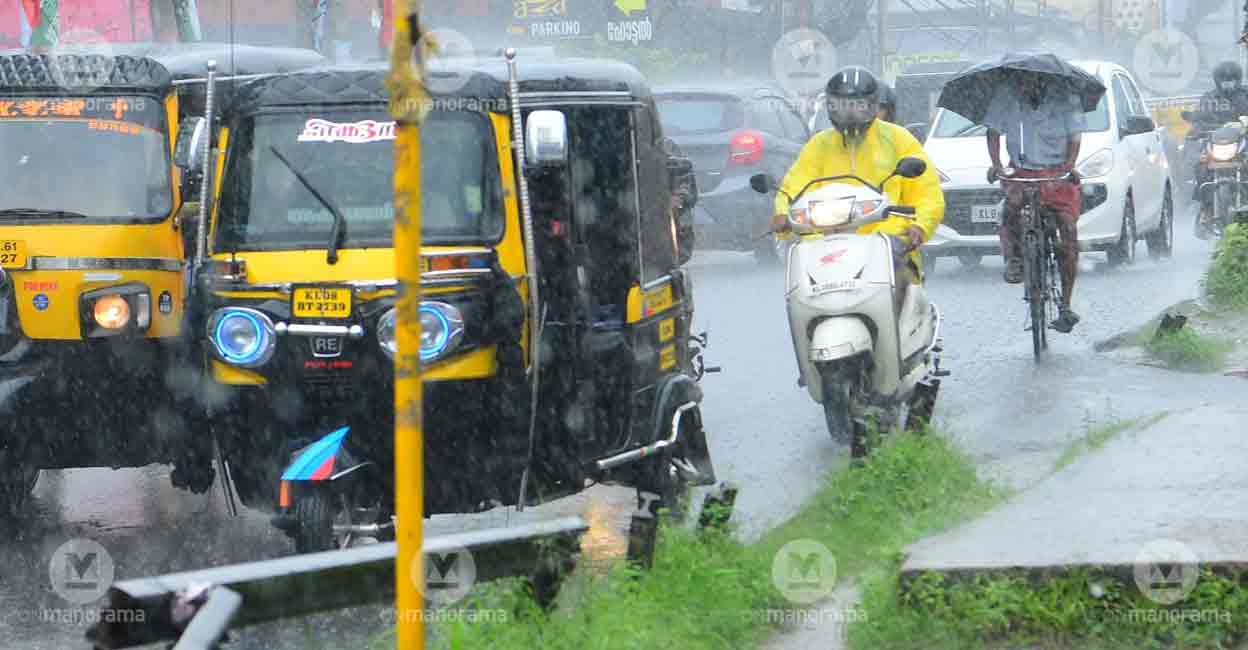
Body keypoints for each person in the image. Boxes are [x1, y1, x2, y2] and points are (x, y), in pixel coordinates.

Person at [768, 66, 945, 290]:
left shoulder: (899, 139)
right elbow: (794, 185)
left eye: (857, 106)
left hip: (887, 240)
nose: (849, 114)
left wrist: (920, 226)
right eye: (841, 107)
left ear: (872, 106)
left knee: (901, 287)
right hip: (823, 240)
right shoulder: (819, 145)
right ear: (830, 107)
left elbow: (928, 193)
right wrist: (783, 213)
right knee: (798, 289)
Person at [983, 73, 1085, 333]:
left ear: (1044, 82)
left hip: (1057, 171)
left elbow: (1075, 138)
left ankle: (1065, 304)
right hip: (1022, 170)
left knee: (1068, 232)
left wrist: (1070, 166)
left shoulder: (1066, 98)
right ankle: (1015, 258)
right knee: (1011, 208)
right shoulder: (1007, 96)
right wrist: (996, 165)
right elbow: (993, 132)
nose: (1025, 86)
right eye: (1022, 82)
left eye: (1030, 82)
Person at [1190, 61, 1248, 235]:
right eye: (1224, 81)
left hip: (1243, 141)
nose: (1228, 84)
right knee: (1201, 166)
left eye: (1231, 80)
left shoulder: (1246, 95)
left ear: (1238, 80)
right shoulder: (1208, 99)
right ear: (1217, 81)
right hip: (1216, 144)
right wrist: (1196, 130)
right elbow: (1198, 121)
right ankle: (1206, 211)